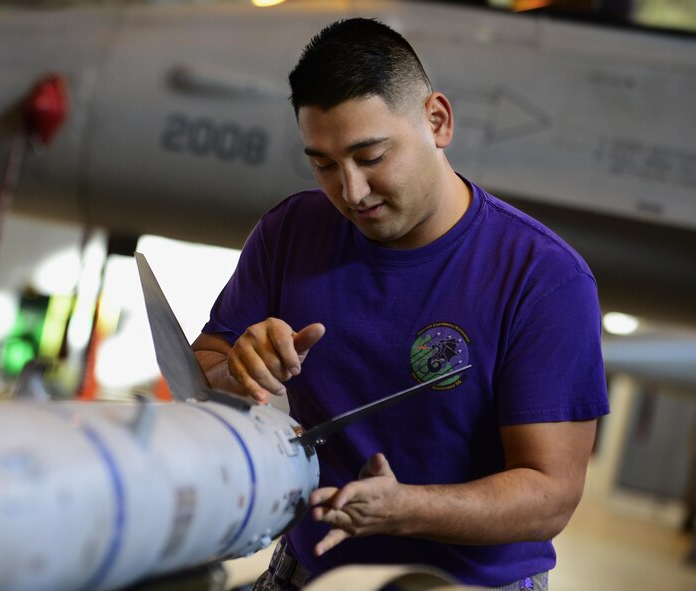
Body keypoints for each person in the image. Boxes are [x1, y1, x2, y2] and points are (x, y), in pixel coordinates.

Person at [192, 18, 609, 590]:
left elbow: (549, 498)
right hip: (305, 569)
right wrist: (237, 370)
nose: (351, 192)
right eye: (324, 165)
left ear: (436, 121)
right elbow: (202, 366)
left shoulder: (544, 279)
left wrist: (403, 509)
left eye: (371, 157)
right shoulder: (290, 230)